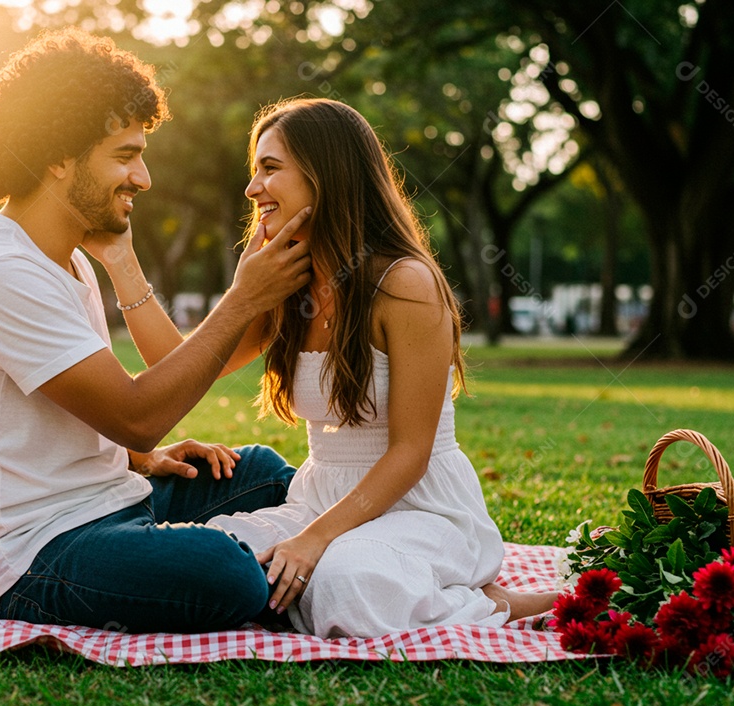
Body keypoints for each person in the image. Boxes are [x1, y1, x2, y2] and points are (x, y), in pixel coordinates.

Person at [0, 28, 312, 634]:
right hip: (35, 552)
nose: (143, 177)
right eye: (125, 154)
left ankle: (345, 553)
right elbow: (134, 412)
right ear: (58, 156)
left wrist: (141, 459)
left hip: (114, 501)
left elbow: (84, 407)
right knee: (223, 572)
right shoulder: (1, 271)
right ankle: (309, 572)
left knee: (259, 471)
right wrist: (243, 300)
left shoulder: (69, 259)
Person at [207, 98, 558, 637]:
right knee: (215, 556)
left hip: (419, 504)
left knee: (348, 582)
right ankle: (418, 590)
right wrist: (122, 259)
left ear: (326, 175)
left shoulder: (405, 283)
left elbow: (410, 453)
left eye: (270, 169)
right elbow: (182, 363)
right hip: (322, 497)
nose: (253, 189)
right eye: (254, 171)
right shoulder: (287, 286)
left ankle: (498, 605)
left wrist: (315, 541)